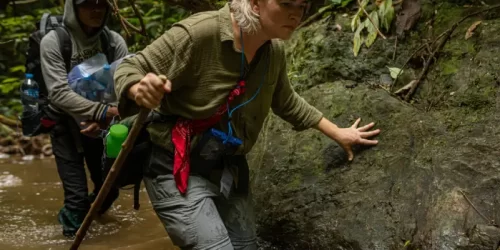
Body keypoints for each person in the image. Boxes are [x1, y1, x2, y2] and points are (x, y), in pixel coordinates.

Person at [114, 0, 380, 249]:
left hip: (227, 166)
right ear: (254, 4)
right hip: (175, 166)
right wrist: (139, 89)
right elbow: (128, 68)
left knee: (246, 246)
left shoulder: (273, 50)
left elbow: (286, 101)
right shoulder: (199, 34)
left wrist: (340, 133)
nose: (295, 14)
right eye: (286, 3)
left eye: (302, 6)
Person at [40, 0, 128, 237]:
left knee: (109, 190)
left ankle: (93, 220)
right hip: (64, 124)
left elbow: (125, 87)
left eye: (101, 4)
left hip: (101, 124)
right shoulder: (55, 42)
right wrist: (101, 112)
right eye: (87, 4)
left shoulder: (113, 42)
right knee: (76, 199)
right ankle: (73, 230)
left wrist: (104, 118)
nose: (96, 10)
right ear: (73, 8)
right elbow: (57, 92)